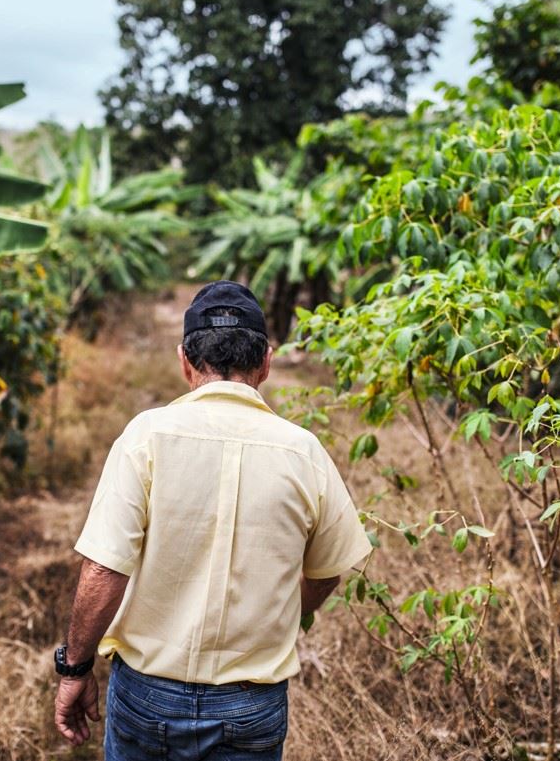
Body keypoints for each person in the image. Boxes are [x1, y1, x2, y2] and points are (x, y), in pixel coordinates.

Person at [52, 280, 372, 760]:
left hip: (147, 696)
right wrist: (285, 610)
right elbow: (328, 570)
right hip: (252, 705)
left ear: (185, 361)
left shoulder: (147, 437)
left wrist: (75, 670)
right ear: (265, 361)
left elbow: (104, 570)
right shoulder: (303, 451)